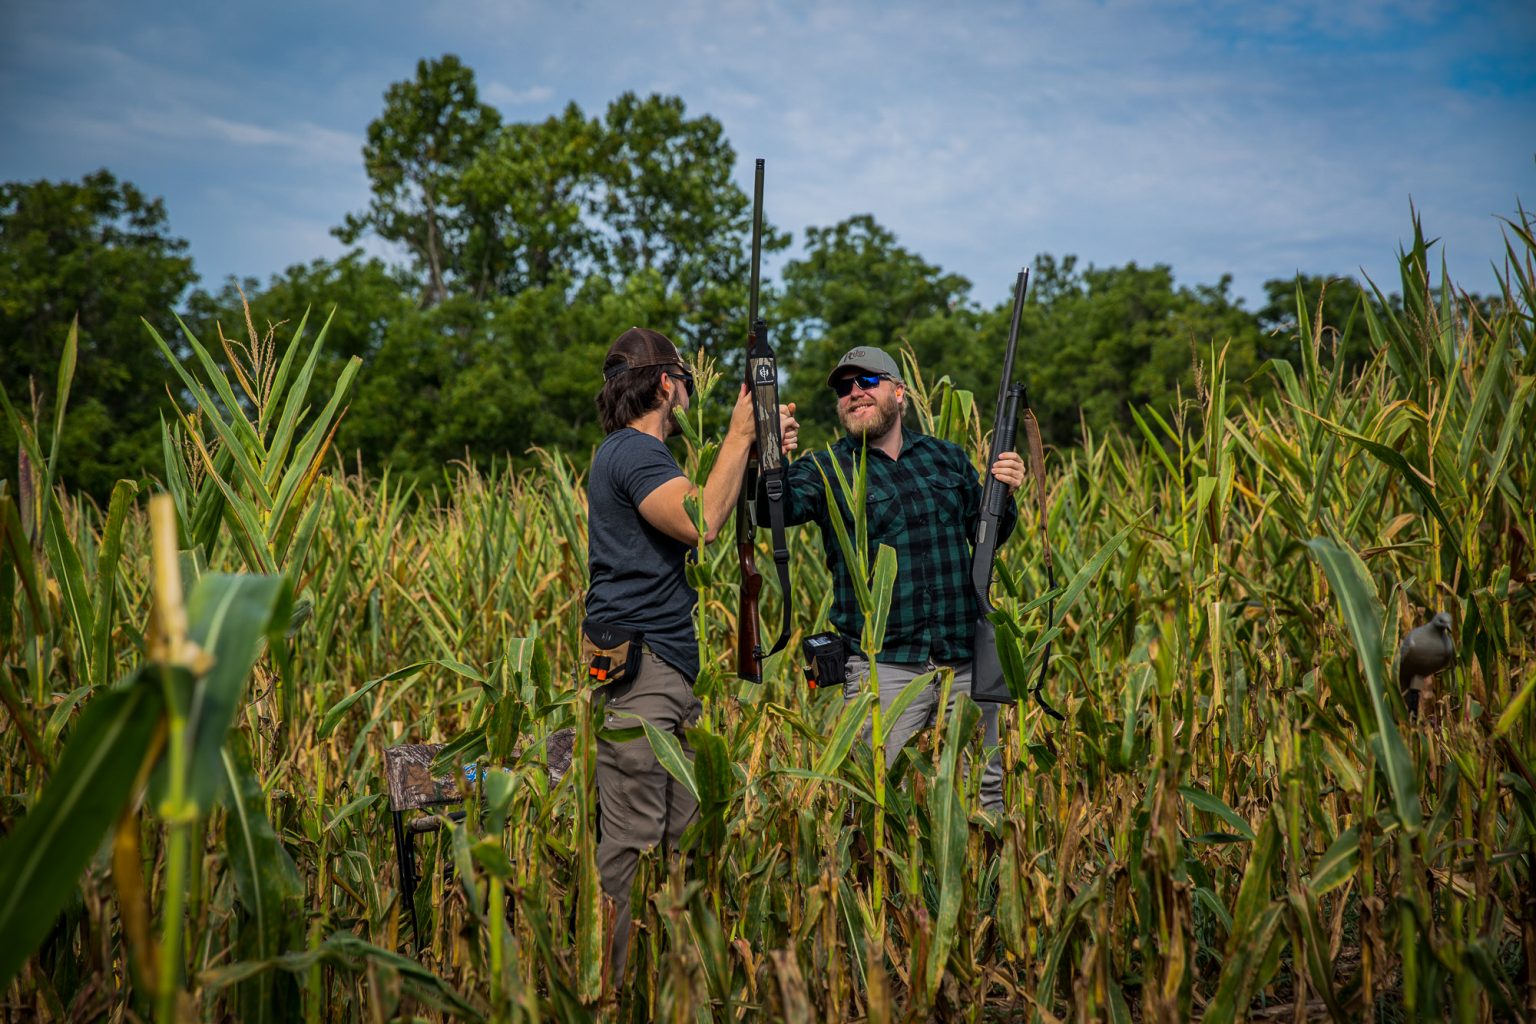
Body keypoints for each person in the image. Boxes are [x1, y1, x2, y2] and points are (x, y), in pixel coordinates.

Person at [585, 326, 796, 975]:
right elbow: (701, 521)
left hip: (658, 668)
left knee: (681, 838)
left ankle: (671, 984)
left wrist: (759, 451)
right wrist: (738, 434)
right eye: (684, 386)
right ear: (668, 384)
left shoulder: (628, 454)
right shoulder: (636, 454)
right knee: (631, 843)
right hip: (642, 671)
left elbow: (715, 507)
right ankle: (611, 994)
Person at [777, 346, 1022, 813]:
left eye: (866, 382)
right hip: (881, 666)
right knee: (876, 802)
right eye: (844, 388)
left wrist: (1005, 492)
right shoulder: (825, 467)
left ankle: (985, 886)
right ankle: (879, 888)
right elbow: (778, 510)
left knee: (982, 794)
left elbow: (987, 533)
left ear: (899, 393)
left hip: (964, 661)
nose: (854, 393)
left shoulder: (946, 458)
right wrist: (769, 457)